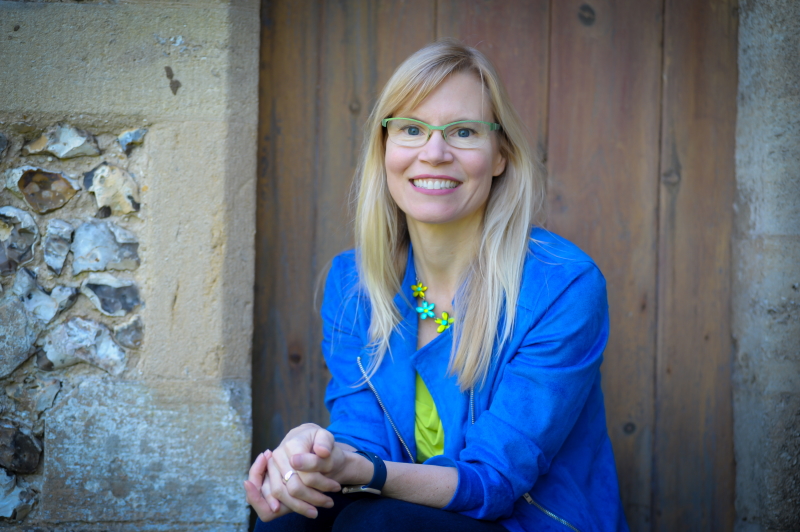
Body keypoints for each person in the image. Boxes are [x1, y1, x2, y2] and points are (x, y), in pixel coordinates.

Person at [245, 39, 629, 532]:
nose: (434, 153)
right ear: (385, 150)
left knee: (377, 524)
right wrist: (311, 454)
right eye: (411, 129)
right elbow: (361, 439)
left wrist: (367, 472)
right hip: (399, 517)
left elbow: (494, 481)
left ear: (499, 156)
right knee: (288, 520)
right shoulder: (354, 283)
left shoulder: (562, 288)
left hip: (529, 522)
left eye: (463, 132)